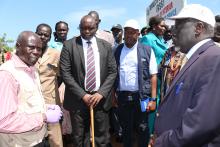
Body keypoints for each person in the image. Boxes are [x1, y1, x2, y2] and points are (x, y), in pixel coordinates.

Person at [151, 4, 220, 147]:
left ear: (198, 28)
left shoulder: (214, 59)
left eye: (179, 25)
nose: (172, 30)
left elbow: (200, 124)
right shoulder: (198, 57)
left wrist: (162, 142)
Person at [60, 15, 117, 147]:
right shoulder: (69, 45)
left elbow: (113, 71)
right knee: (80, 138)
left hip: (100, 99)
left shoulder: (106, 46)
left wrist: (101, 93)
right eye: (83, 28)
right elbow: (65, 73)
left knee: (101, 138)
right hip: (77, 100)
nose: (86, 31)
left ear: (96, 27)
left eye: (90, 28)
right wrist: (83, 95)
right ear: (79, 27)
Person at [0, 31, 62, 147]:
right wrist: (43, 117)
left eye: (39, 49)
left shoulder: (31, 69)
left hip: (39, 139)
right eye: (31, 47)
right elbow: (3, 121)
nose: (36, 52)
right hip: (18, 143)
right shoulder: (7, 74)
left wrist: (45, 107)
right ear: (18, 46)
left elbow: (24, 102)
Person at [114, 19, 157, 147]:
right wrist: (113, 96)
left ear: (138, 34)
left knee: (143, 128)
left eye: (132, 32)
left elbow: (153, 75)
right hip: (123, 97)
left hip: (142, 97)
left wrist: (153, 99)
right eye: (127, 32)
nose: (129, 35)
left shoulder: (147, 50)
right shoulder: (117, 50)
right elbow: (113, 75)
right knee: (126, 129)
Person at [35, 24, 63, 147]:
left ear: (50, 37)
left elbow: (62, 74)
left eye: (46, 35)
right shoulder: (29, 52)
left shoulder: (56, 54)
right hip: (32, 100)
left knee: (54, 136)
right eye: (40, 33)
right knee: (35, 133)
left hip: (50, 100)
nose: (42, 36)